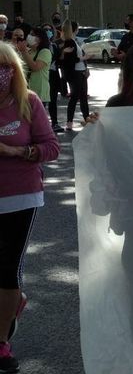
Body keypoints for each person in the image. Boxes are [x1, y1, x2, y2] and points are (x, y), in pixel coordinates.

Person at [0, 42, 61, 374]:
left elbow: (51, 147)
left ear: (14, 71)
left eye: (4, 67)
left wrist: (15, 152)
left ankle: (1, 342)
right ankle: (11, 303)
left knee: (7, 269)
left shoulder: (29, 103)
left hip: (20, 196)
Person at [58, 21, 89, 131]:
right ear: (74, 29)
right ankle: (70, 122)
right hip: (75, 73)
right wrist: (83, 59)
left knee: (83, 97)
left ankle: (87, 119)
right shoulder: (69, 42)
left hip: (81, 72)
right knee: (75, 97)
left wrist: (86, 68)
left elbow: (80, 55)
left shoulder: (75, 42)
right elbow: (69, 60)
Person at [13, 28, 51, 112]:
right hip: (25, 91)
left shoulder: (45, 52)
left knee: (36, 120)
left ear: (40, 39)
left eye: (33, 35)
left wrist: (23, 51)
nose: (29, 36)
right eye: (30, 34)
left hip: (39, 92)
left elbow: (35, 67)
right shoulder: (29, 51)